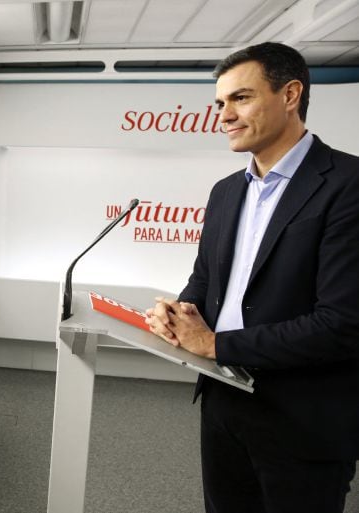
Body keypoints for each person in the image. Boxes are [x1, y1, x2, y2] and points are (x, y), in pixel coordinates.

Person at [144, 42, 359, 513]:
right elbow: (205, 280)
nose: (223, 115)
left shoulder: (348, 185)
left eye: (240, 98)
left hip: (304, 416)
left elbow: (343, 323)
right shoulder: (225, 192)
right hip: (223, 402)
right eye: (220, 103)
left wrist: (215, 344)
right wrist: (180, 311)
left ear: (290, 95)